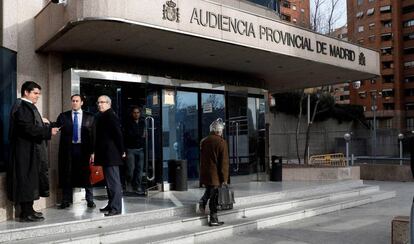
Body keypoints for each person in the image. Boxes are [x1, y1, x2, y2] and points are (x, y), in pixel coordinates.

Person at [7, 81, 59, 222]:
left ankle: (30, 210)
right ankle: (25, 214)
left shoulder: (25, 106)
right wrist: (48, 131)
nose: (37, 96)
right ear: (26, 92)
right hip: (23, 151)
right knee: (26, 180)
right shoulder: (22, 107)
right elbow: (27, 128)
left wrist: (45, 124)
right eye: (35, 93)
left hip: (29, 150)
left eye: (38, 94)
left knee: (30, 180)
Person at [55, 94, 96, 209]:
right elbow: (56, 127)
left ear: (82, 102)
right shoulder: (64, 116)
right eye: (73, 101)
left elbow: (94, 135)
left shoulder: (90, 117)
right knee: (67, 173)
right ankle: (65, 200)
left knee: (86, 174)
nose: (74, 103)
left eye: (77, 101)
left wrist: (93, 152)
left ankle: (90, 200)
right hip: (68, 149)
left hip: (84, 150)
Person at [93, 95, 125, 216]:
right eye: (98, 102)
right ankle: (111, 204)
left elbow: (118, 134)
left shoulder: (111, 116)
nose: (100, 104)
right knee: (108, 182)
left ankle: (116, 208)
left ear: (109, 104)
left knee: (113, 182)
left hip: (111, 155)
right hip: (106, 154)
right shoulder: (103, 116)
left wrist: (122, 150)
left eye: (103, 102)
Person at [198, 118, 229, 226]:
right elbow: (223, 163)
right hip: (215, 175)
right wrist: (224, 178)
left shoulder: (204, 141)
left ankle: (202, 201)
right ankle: (213, 219)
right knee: (214, 196)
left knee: (209, 190)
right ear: (218, 131)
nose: (222, 133)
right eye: (221, 131)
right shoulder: (221, 142)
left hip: (206, 173)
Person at [124, 106, 146, 194]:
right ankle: (128, 183)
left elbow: (144, 135)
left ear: (140, 114)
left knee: (140, 169)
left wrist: (140, 135)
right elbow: (129, 135)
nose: (136, 114)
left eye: (138, 112)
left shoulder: (142, 122)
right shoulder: (128, 123)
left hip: (140, 149)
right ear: (132, 113)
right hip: (130, 149)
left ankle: (138, 185)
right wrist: (140, 135)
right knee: (131, 169)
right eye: (134, 112)